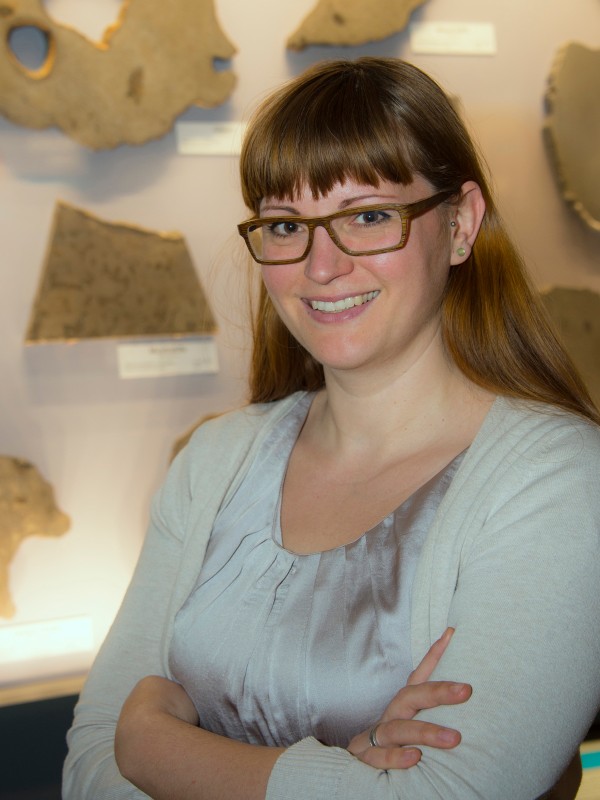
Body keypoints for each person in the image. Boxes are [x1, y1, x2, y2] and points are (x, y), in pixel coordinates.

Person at [63, 57, 600, 800]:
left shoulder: (556, 478)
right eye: (287, 225)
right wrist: (342, 775)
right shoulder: (215, 458)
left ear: (460, 223)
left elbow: (451, 794)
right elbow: (92, 765)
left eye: (368, 216)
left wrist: (155, 750)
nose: (321, 266)